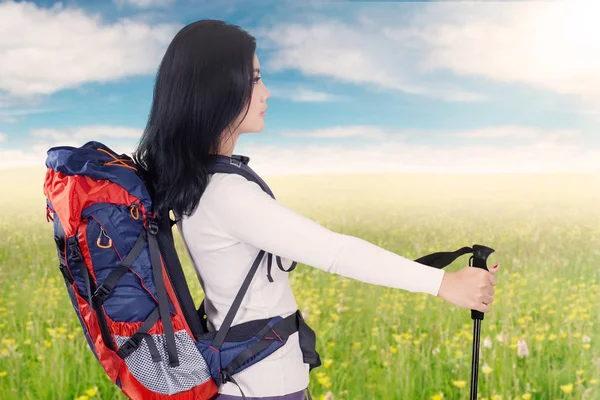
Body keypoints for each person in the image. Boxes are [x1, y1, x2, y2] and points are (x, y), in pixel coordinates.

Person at [132, 19, 500, 400]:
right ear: (217, 89)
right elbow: (335, 252)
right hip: (263, 389)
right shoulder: (227, 194)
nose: (266, 92)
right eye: (255, 79)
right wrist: (444, 284)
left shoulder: (202, 183)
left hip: (253, 383)